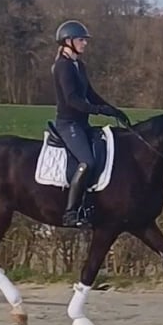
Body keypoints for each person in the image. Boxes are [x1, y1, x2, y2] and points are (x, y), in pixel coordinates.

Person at [51, 19, 130, 227]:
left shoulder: (79, 65)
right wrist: (98, 110)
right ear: (68, 41)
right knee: (88, 163)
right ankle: (70, 212)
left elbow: (90, 94)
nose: (85, 43)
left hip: (82, 124)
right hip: (68, 124)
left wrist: (112, 109)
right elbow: (72, 100)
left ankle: (91, 205)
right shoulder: (63, 66)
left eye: (85, 40)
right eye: (81, 40)